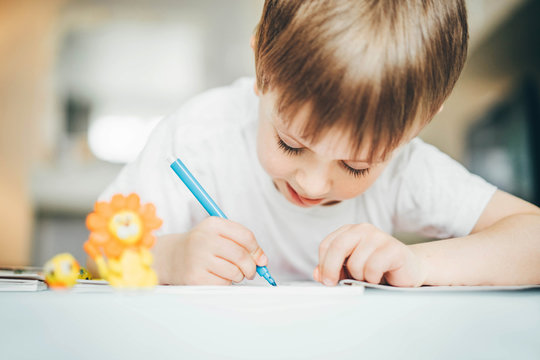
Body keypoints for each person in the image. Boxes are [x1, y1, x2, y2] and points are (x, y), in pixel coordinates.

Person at [96, 0, 540, 287]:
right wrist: (170, 259)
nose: (311, 183)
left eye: (356, 166)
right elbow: (101, 248)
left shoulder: (408, 170)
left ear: (417, 125)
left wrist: (420, 264)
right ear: (261, 69)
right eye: (290, 144)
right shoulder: (197, 136)